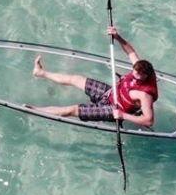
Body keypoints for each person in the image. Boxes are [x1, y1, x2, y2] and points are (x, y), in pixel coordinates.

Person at [26, 25, 158, 128]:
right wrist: (117, 37)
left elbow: (149, 120)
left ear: (145, 76)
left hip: (113, 109)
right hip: (110, 93)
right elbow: (131, 52)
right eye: (133, 73)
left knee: (71, 110)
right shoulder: (139, 67)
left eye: (137, 76)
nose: (133, 77)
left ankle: (35, 110)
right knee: (75, 79)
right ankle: (40, 72)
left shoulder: (145, 96)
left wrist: (123, 115)